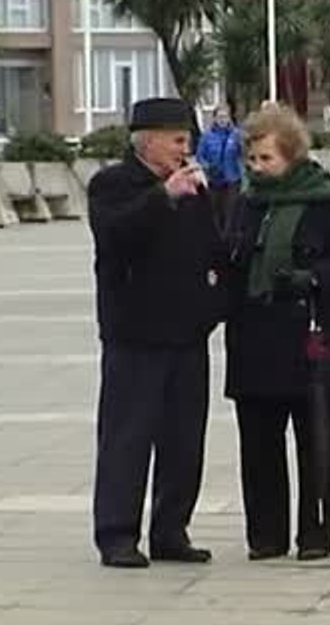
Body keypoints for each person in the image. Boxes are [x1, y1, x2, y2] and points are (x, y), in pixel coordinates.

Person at [225, 104, 330, 562]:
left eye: (266, 158)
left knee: (318, 437)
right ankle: (266, 534)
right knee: (259, 441)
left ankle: (315, 533)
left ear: (291, 155)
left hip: (310, 335)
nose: (257, 168)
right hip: (255, 336)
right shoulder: (246, 203)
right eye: (251, 159)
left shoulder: (323, 202)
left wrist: (313, 276)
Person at [87, 98, 227, 569]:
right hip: (135, 335)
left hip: (187, 334)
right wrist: (163, 196)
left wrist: (216, 303)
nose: (186, 149)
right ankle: (117, 534)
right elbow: (115, 235)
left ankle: (171, 530)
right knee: (128, 437)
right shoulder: (113, 185)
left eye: (187, 140)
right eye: (178, 140)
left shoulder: (193, 185)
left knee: (184, 439)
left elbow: (212, 248)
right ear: (147, 141)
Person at [195, 106, 246, 231]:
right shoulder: (207, 136)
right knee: (215, 212)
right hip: (214, 179)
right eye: (220, 117)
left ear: (229, 118)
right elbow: (200, 156)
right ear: (214, 118)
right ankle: (216, 240)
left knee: (230, 212)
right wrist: (206, 166)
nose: (222, 120)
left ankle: (228, 241)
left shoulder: (236, 135)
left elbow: (244, 153)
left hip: (232, 179)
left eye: (225, 117)